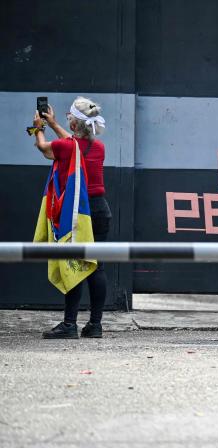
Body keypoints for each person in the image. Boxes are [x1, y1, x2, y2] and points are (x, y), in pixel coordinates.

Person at [32, 97, 111, 339]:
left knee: (72, 264)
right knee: (96, 266)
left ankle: (69, 324)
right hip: (100, 210)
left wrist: (39, 128)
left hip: (78, 212)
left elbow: (44, 148)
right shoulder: (98, 147)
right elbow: (73, 142)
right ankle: (95, 325)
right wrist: (54, 123)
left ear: (75, 125)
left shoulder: (65, 148)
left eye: (69, 120)